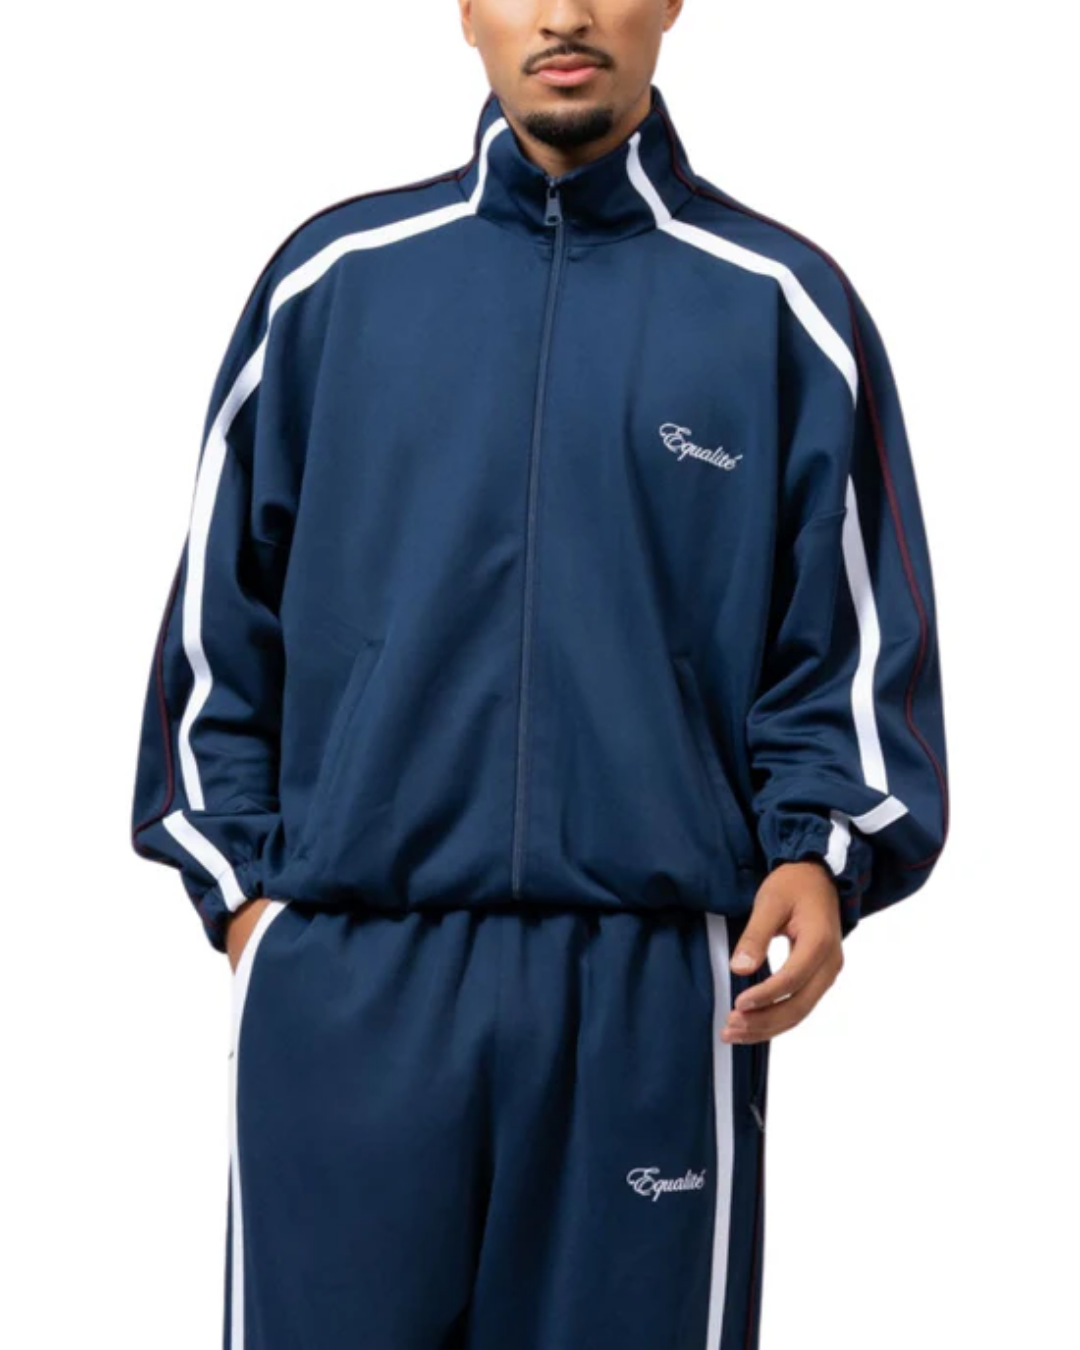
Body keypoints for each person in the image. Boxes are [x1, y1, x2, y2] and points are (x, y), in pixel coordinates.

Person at [128, 2, 950, 1345]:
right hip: (348, 987)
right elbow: (219, 636)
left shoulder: (778, 306)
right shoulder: (332, 286)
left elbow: (849, 641)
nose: (564, 14)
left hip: (648, 1004)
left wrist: (825, 856)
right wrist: (251, 914)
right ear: (465, 10)